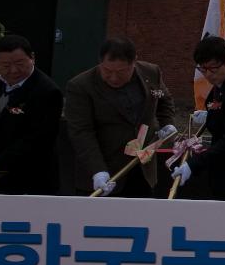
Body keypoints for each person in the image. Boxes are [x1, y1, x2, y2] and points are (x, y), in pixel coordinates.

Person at [65, 37, 176, 197]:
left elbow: (164, 99)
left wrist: (167, 124)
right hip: (104, 173)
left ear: (134, 63)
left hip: (142, 169)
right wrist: (98, 170)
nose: (114, 78)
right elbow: (81, 133)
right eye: (107, 71)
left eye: (121, 72)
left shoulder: (151, 73)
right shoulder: (81, 87)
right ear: (100, 62)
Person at [170, 36, 225, 201]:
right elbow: (218, 113)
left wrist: (193, 164)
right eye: (203, 69)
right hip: (221, 170)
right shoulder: (220, 85)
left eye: (213, 69)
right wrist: (208, 117)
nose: (208, 75)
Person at [0, 34, 63, 195]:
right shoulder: (0, 82)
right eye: (5, 65)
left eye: (19, 63)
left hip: (29, 181)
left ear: (32, 58)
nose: (13, 70)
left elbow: (38, 139)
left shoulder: (47, 91)